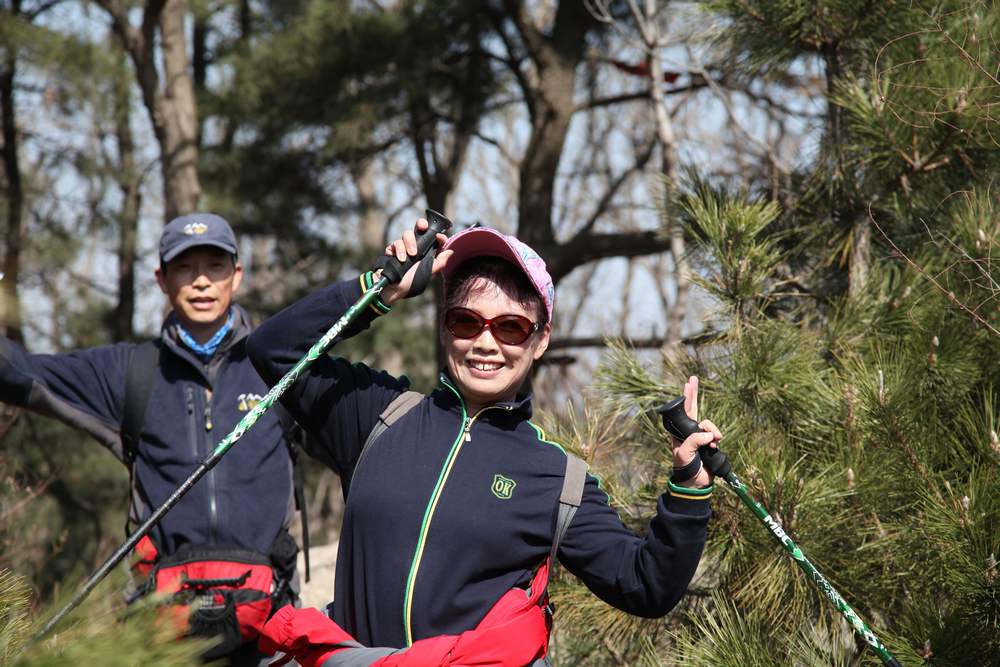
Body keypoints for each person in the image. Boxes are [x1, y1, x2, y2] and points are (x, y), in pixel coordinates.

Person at [246, 218, 721, 665]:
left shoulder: (557, 479)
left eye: (511, 327)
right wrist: (378, 288)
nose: (486, 343)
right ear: (444, 327)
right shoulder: (378, 416)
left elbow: (647, 585)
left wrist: (689, 485)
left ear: (540, 340)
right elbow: (273, 349)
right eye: (466, 321)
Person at [0, 213, 299, 665]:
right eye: (184, 267)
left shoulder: (282, 366)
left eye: (215, 266)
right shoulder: (130, 372)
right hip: (161, 631)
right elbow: (18, 375)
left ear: (237, 275)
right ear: (161, 279)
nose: (201, 282)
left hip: (272, 631)